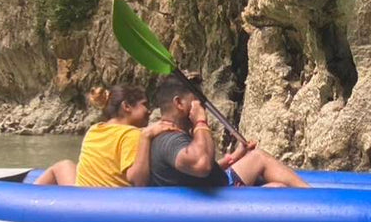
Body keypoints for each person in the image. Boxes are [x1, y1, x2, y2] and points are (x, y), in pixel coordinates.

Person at [147, 77, 310, 189]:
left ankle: (313, 196)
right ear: (179, 103)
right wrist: (200, 121)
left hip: (218, 185)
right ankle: (315, 200)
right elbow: (201, 165)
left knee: (261, 164)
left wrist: (234, 157)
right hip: (220, 198)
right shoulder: (170, 141)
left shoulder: (174, 135)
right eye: (198, 100)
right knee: (274, 183)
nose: (202, 107)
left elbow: (197, 171)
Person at [35, 85, 179, 187]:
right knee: (65, 165)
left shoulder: (94, 129)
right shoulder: (131, 134)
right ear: (126, 106)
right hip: (104, 204)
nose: (149, 111)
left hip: (80, 194)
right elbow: (138, 181)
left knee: (63, 165)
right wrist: (146, 137)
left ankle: (29, 198)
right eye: (144, 105)